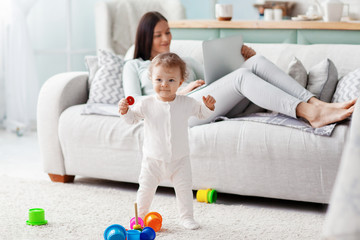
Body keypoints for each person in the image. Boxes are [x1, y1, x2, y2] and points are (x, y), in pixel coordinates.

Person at [122, 11, 356, 129]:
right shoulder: (134, 65)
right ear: (145, 37)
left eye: (168, 32)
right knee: (243, 76)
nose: (165, 38)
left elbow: (218, 81)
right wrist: (178, 92)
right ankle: (309, 113)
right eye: (158, 35)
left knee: (254, 63)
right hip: (179, 111)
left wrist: (244, 60)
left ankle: (316, 104)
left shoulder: (183, 61)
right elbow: (133, 102)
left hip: (208, 104)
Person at [119, 52, 216, 230]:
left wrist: (208, 107)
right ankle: (139, 218)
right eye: (159, 80)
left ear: (180, 82)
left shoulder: (186, 102)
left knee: (184, 190)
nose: (164, 85)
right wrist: (125, 111)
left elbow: (202, 112)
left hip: (180, 160)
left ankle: (186, 217)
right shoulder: (146, 103)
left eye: (171, 80)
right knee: (145, 191)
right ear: (152, 80)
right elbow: (132, 119)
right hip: (152, 160)